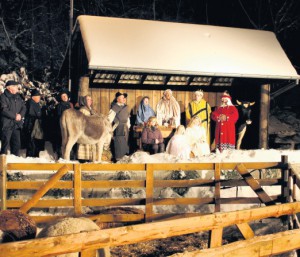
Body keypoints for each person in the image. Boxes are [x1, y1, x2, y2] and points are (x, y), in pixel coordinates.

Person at [0, 80, 26, 156]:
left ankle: (14, 164)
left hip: (16, 124)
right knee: (5, 146)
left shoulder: (18, 97)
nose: (17, 88)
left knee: (16, 145)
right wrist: (15, 116)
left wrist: (20, 115)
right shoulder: (3, 97)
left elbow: (23, 107)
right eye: (15, 86)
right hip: (6, 124)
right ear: (10, 88)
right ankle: (2, 165)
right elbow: (4, 110)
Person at [108, 92, 130, 161]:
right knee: (118, 142)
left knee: (125, 142)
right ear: (118, 99)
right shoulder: (115, 107)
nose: (124, 99)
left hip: (125, 127)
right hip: (118, 127)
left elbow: (127, 118)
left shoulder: (125, 107)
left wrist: (128, 126)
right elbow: (109, 118)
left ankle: (124, 158)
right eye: (122, 98)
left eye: (124, 98)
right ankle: (118, 159)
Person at [77, 95, 99, 162]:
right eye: (88, 99)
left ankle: (90, 158)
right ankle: (83, 158)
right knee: (84, 145)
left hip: (92, 132)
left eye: (90, 99)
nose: (90, 101)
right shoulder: (82, 110)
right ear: (84, 101)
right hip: (85, 131)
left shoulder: (92, 110)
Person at [23, 89, 45, 157]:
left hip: (35, 125)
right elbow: (31, 114)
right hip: (32, 125)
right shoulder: (31, 103)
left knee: (35, 142)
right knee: (32, 142)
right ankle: (31, 157)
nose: (39, 98)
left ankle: (34, 156)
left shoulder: (36, 103)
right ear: (33, 97)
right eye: (38, 97)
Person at [54, 89, 74, 158]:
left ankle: (69, 155)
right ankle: (60, 155)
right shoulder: (59, 106)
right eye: (63, 96)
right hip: (62, 126)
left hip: (71, 126)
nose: (64, 97)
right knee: (62, 140)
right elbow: (58, 116)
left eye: (65, 95)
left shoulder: (70, 105)